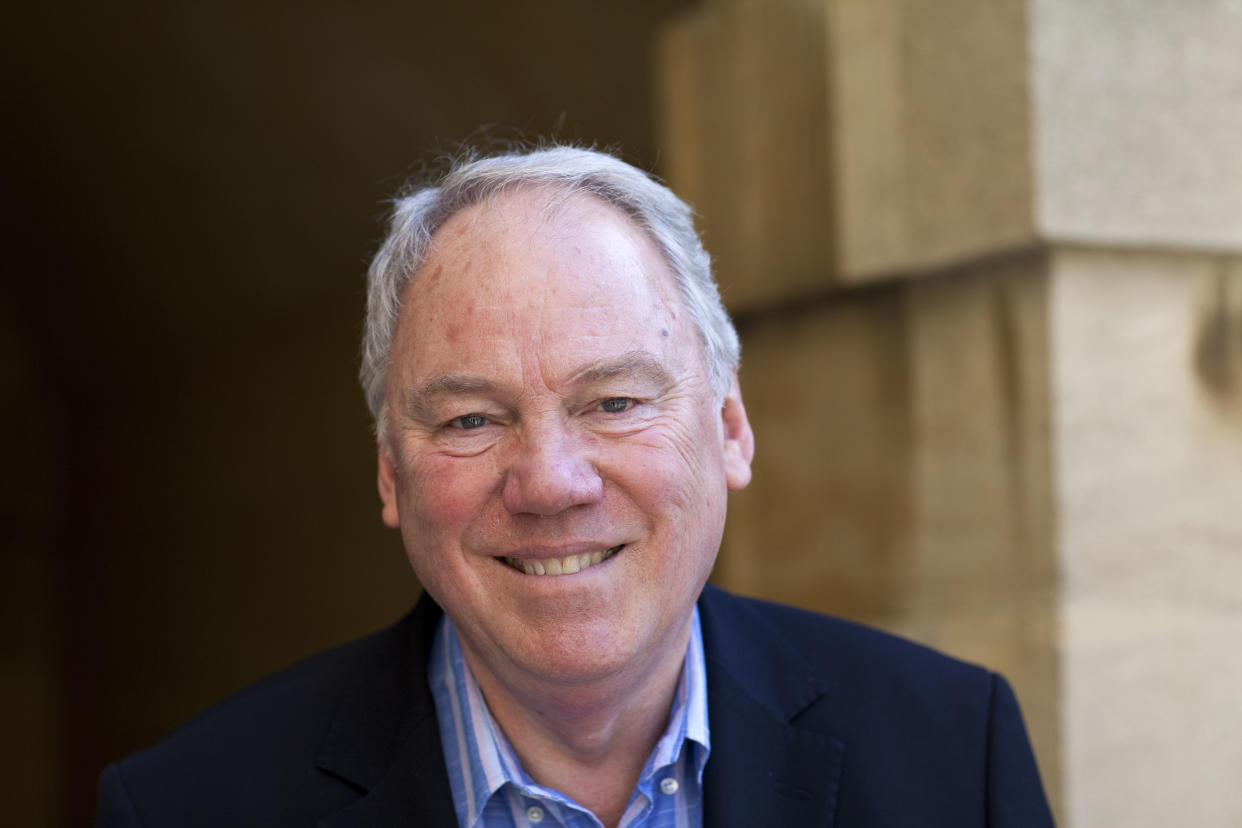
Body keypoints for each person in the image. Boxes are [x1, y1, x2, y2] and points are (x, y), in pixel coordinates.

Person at [96, 145, 1055, 827]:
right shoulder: (189, 805)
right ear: (390, 474)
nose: (551, 482)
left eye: (615, 401)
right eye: (471, 419)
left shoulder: (950, 755)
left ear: (729, 430)